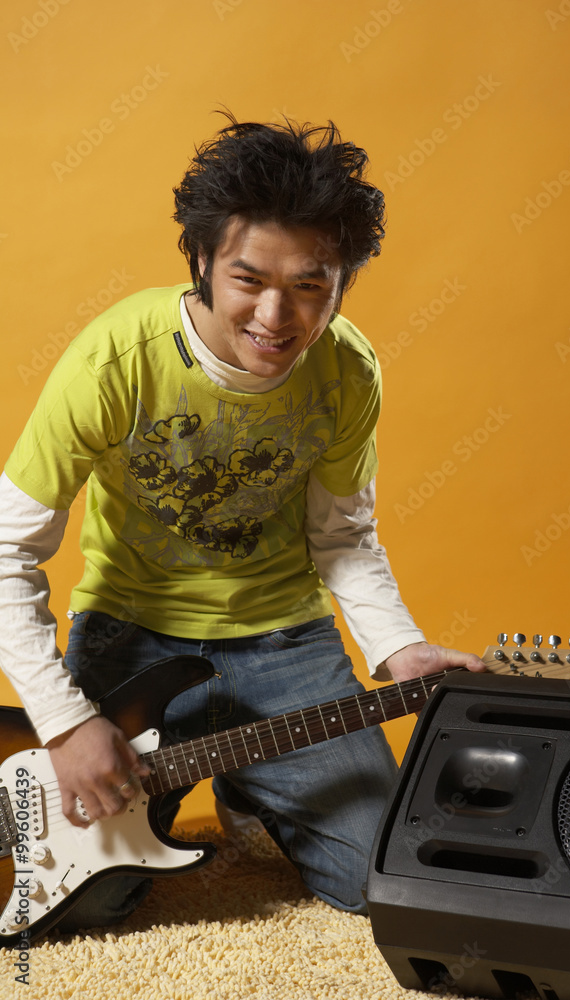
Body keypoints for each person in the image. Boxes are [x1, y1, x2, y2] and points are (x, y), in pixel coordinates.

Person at [0, 114, 484, 930]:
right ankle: (238, 778)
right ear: (199, 261)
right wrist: (66, 721)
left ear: (341, 283)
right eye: (248, 278)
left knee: (383, 881)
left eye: (310, 285)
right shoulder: (112, 359)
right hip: (131, 642)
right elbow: (6, 549)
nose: (275, 315)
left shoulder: (347, 372)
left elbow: (342, 538)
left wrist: (398, 648)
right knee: (93, 900)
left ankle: (249, 784)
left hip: (284, 645)